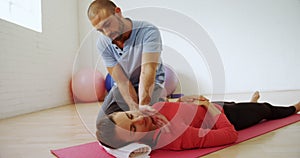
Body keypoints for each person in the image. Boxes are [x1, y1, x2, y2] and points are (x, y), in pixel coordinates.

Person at [96, 91, 300, 150]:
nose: (139, 119)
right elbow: (230, 135)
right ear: (136, 143)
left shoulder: (149, 114)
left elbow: (168, 103)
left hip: (210, 106)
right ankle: (295, 107)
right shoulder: (175, 136)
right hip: (224, 116)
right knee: (265, 110)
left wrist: (181, 100)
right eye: (133, 129)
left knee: (238, 103)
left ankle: (250, 104)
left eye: (131, 115)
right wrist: (207, 105)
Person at [87, 0, 166, 119]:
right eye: (100, 30)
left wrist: (143, 107)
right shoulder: (102, 44)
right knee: (103, 124)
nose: (107, 32)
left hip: (151, 82)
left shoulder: (148, 31)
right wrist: (134, 110)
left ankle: (162, 101)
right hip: (125, 84)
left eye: (107, 24)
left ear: (118, 12)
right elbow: (122, 81)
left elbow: (147, 71)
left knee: (149, 120)